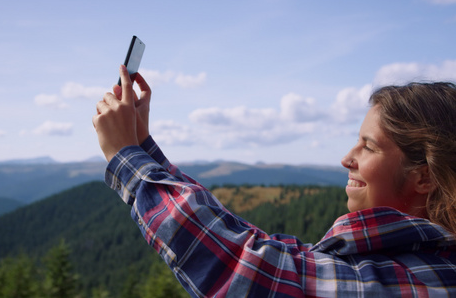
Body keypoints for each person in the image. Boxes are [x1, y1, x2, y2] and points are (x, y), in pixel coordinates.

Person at [93, 65, 456, 297]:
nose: (347, 158)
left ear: (423, 175)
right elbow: (268, 251)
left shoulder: (424, 283)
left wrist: (128, 160)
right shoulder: (398, 263)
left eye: (368, 146)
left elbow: (246, 269)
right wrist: (142, 147)